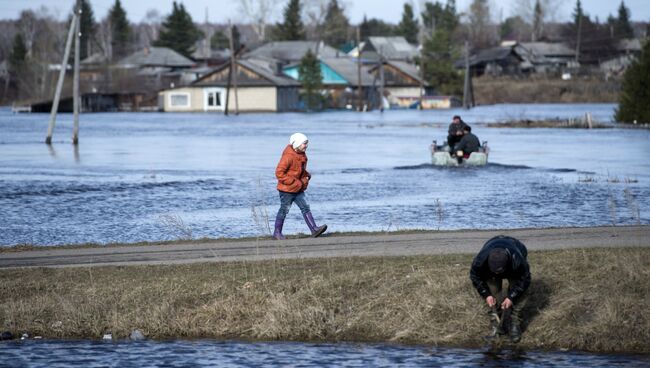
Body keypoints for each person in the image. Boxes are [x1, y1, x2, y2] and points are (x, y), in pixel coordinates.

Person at [469, 235, 530, 343]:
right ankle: (496, 326)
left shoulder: (518, 260)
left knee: (519, 293)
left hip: (515, 252)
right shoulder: (480, 260)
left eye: (500, 272)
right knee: (492, 293)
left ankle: (515, 323)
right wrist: (486, 294)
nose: (498, 274)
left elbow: (525, 280)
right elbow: (475, 277)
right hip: (491, 253)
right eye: (495, 272)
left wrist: (511, 297)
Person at [273, 133, 327, 240]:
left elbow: (298, 170)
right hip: (286, 190)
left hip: (298, 189)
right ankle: (277, 233)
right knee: (284, 210)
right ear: (297, 144)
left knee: (305, 207)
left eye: (307, 143)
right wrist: (294, 182)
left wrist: (306, 174)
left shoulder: (302, 155)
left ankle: (314, 229)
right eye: (304, 143)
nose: (306, 145)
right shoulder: (288, 156)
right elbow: (279, 173)